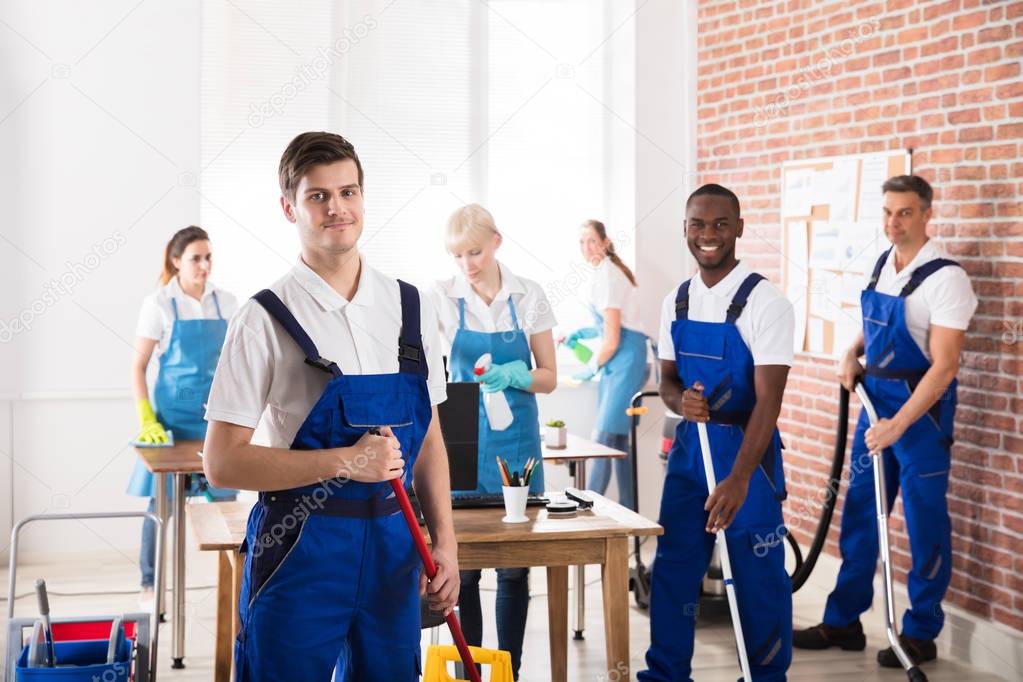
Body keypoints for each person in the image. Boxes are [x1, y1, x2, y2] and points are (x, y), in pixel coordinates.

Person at [202, 131, 459, 680]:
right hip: (300, 548)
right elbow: (223, 462)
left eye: (349, 192)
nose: (337, 208)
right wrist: (343, 462)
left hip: (395, 548)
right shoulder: (263, 318)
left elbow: (430, 439)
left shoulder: (410, 307)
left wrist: (448, 546)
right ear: (289, 207)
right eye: (319, 196)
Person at [794, 175, 977, 669]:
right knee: (860, 512)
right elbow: (873, 327)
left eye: (905, 213)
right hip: (875, 404)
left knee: (924, 522)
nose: (893, 222)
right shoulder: (884, 264)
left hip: (921, 416)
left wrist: (899, 425)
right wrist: (851, 353)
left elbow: (945, 366)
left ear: (926, 214)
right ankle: (844, 620)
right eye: (888, 212)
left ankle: (921, 631)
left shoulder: (947, 278)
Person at [639, 184, 794, 682]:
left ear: (739, 229)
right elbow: (666, 382)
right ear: (685, 229)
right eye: (698, 225)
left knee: (758, 577)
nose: (709, 235)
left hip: (748, 453)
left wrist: (740, 478)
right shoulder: (676, 301)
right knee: (674, 568)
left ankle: (765, 676)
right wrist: (678, 401)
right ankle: (665, 674)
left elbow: (769, 400)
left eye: (720, 224)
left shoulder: (766, 302)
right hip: (691, 450)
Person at [433, 203, 557, 680]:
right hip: (462, 442)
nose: (468, 264)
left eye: (476, 252)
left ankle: (510, 671)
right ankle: (472, 671)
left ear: (497, 241)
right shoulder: (442, 297)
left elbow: (548, 377)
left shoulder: (530, 295)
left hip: (516, 443)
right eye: (458, 255)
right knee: (462, 567)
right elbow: (424, 364)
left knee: (513, 567)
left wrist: (515, 374)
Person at [127, 225, 238, 607]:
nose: (204, 265)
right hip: (172, 423)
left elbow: (233, 364)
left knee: (227, 508)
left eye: (209, 257)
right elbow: (138, 366)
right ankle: (148, 586)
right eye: (196, 258)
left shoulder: (227, 302)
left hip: (215, 423)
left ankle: (235, 589)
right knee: (161, 508)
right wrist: (147, 419)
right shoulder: (158, 304)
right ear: (176, 262)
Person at [564, 219, 648, 510]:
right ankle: (631, 513)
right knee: (619, 444)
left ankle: (581, 509)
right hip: (620, 359)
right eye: (581, 242)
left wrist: (591, 368)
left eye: (591, 241)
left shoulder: (609, 276)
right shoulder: (602, 274)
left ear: (606, 241)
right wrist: (578, 334)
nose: (586, 248)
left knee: (602, 439)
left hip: (627, 360)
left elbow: (612, 340)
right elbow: (604, 328)